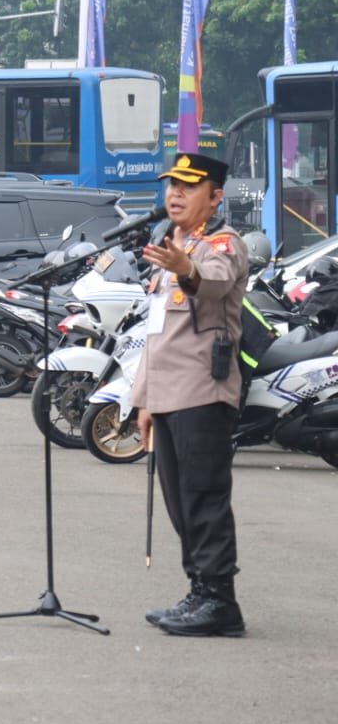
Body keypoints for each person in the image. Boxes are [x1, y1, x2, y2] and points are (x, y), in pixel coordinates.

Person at [132, 152, 250, 638]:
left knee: (204, 499)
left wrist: (187, 268)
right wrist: (144, 399)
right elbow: (156, 334)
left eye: (189, 186)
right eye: (171, 186)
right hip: (168, 395)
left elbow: (213, 284)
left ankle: (220, 601)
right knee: (180, 501)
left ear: (215, 195)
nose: (175, 194)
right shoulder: (170, 245)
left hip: (203, 392)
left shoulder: (223, 244)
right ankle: (199, 591)